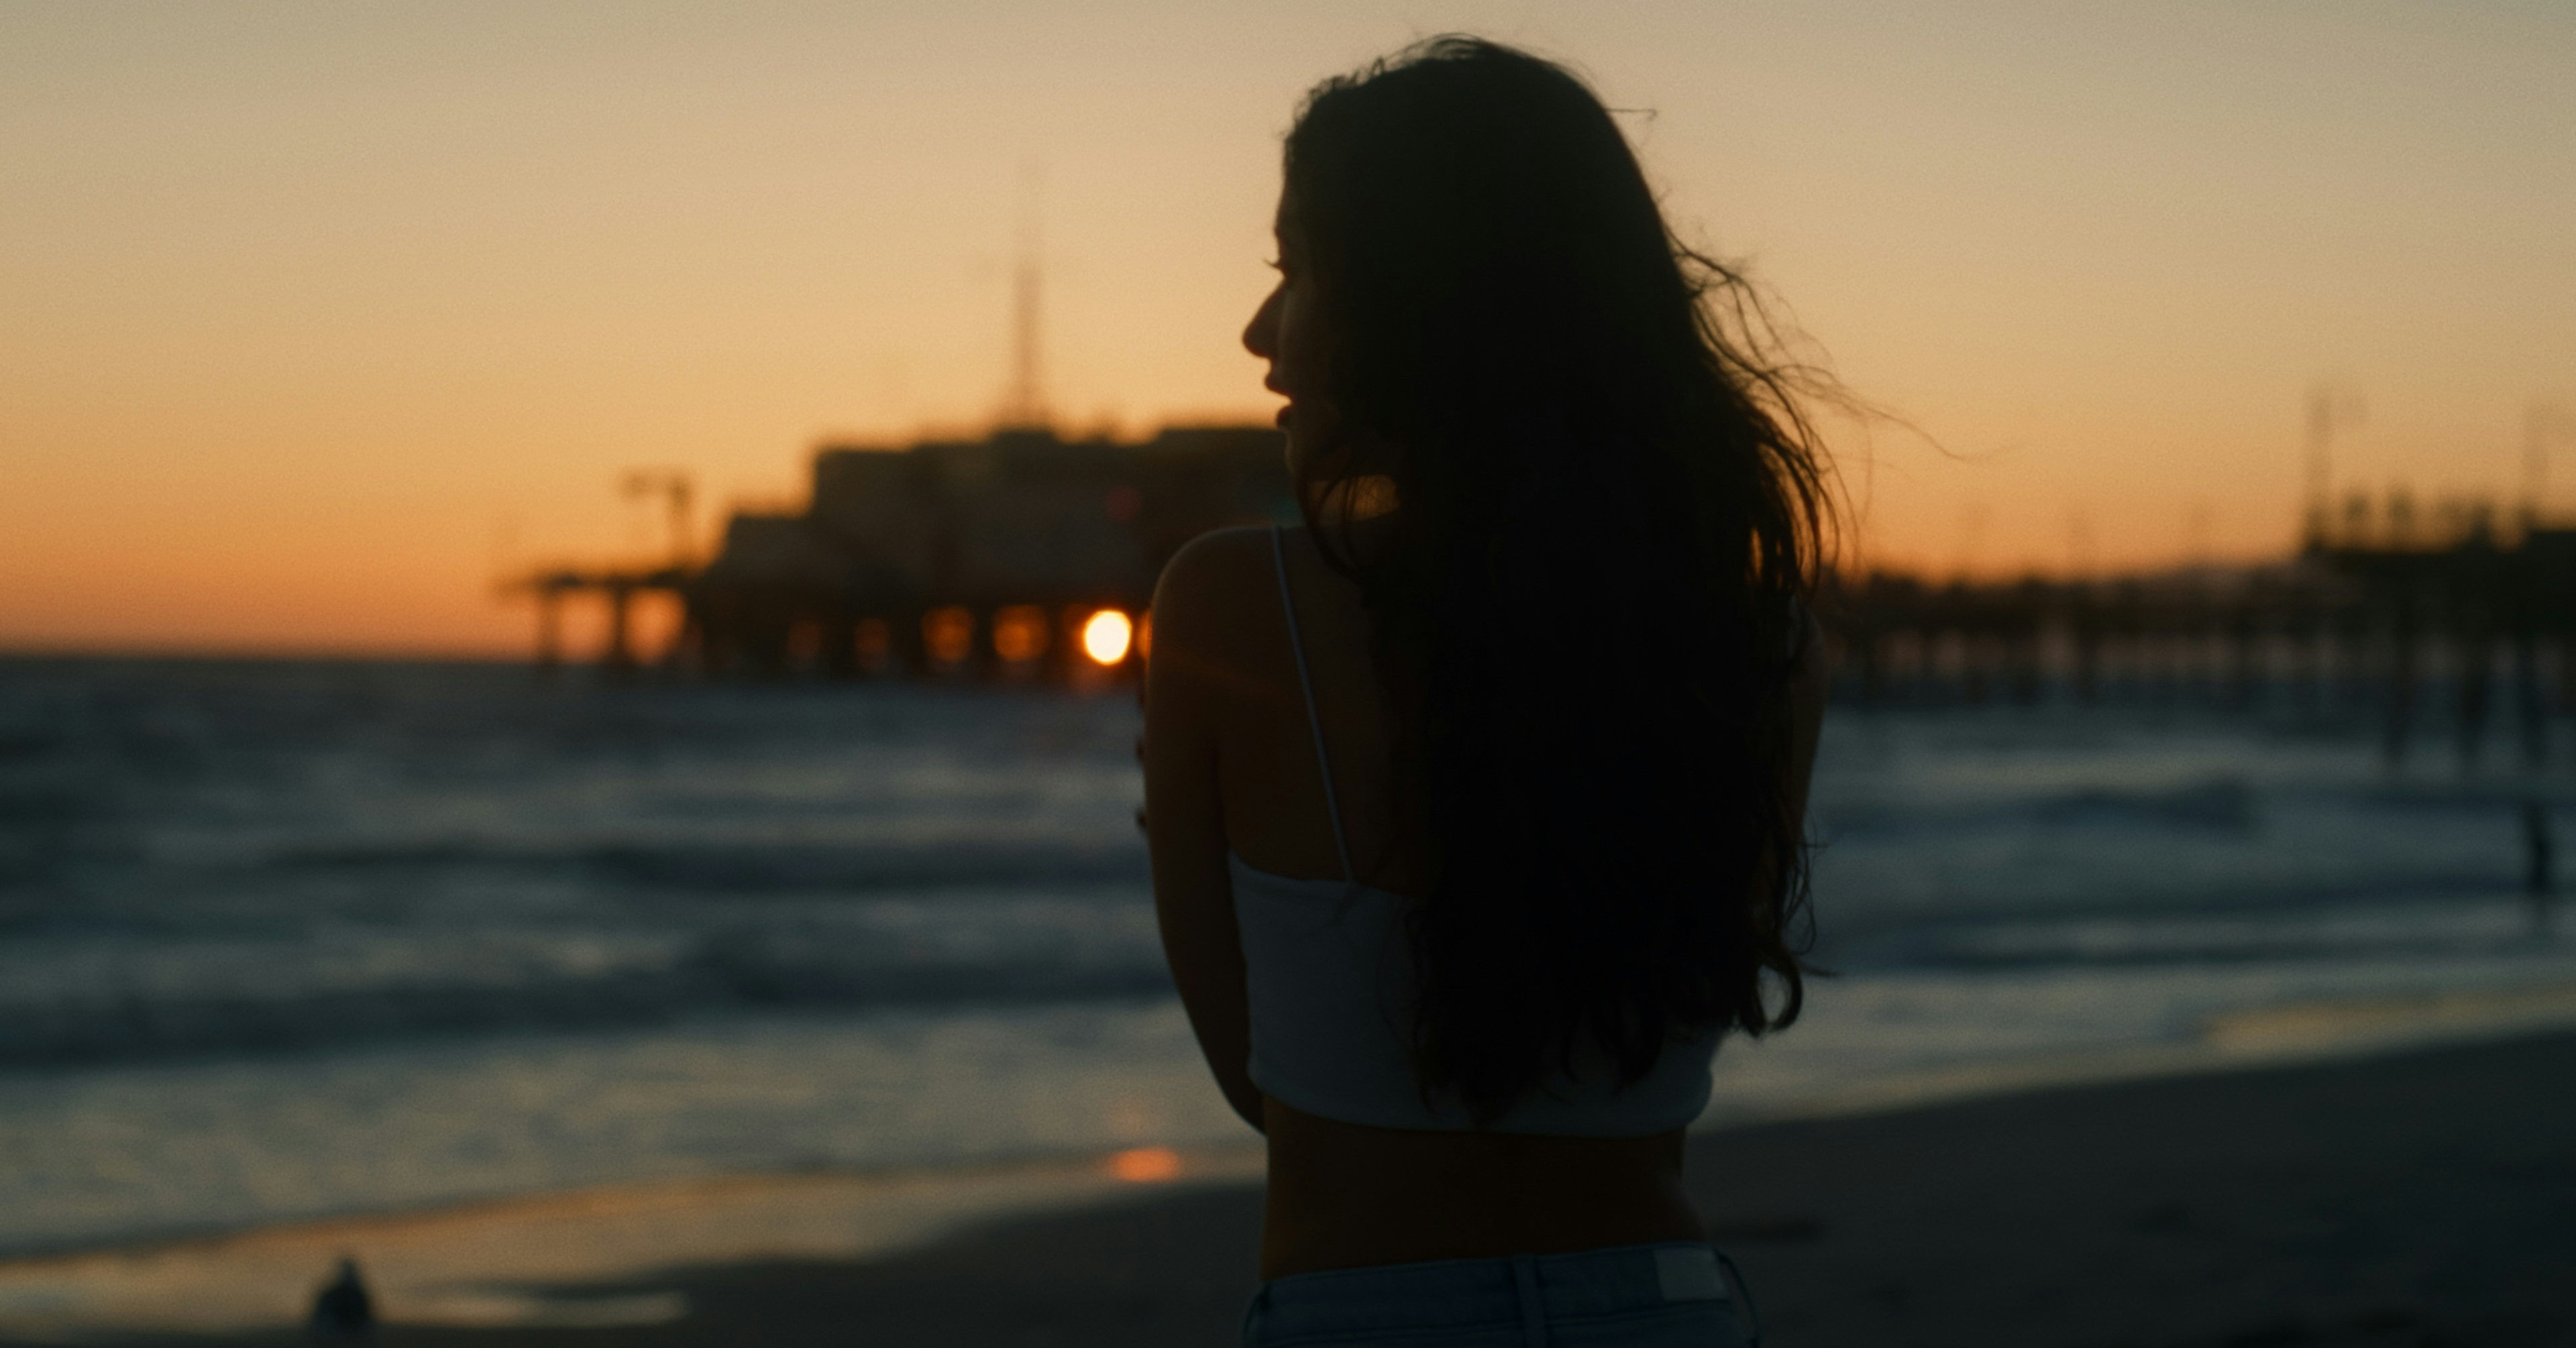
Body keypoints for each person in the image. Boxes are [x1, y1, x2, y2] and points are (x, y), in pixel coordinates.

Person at [1144, 37, 1832, 1347]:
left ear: (1417, 300)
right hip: (1667, 1307)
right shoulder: (1764, 645)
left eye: (1295, 274)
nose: (1259, 336)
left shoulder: (1236, 609)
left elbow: (1261, 1083)